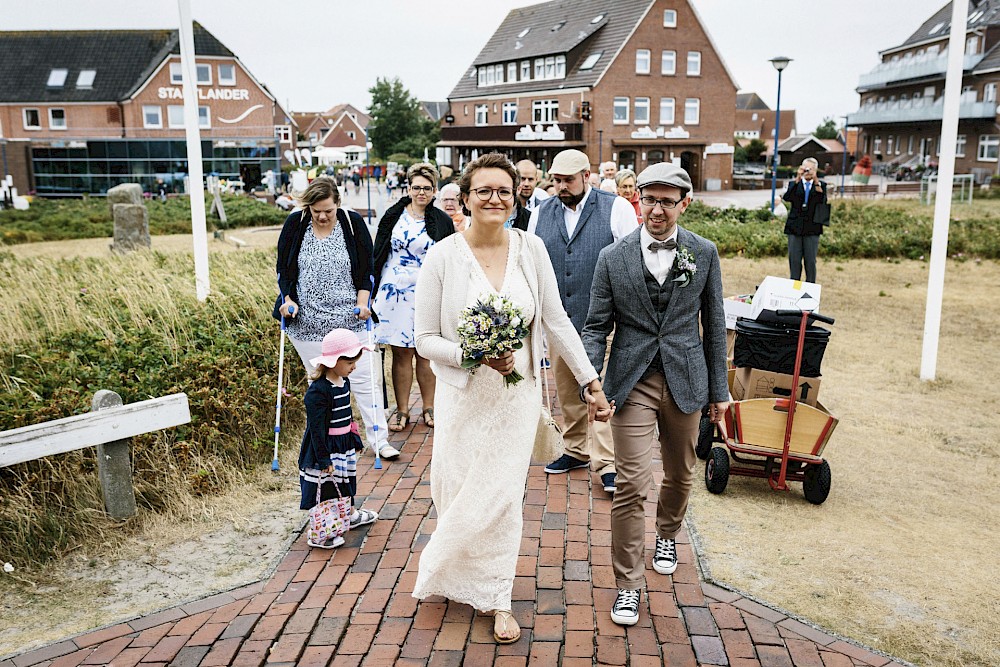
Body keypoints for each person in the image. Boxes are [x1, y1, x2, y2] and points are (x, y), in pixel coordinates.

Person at [411, 152, 613, 643]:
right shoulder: (442, 256)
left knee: (502, 499)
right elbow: (425, 338)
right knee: (456, 490)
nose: (495, 198)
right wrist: (475, 354)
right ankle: (455, 572)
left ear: (516, 195)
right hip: (463, 399)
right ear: (465, 196)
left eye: (504, 190)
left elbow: (556, 320)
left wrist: (590, 381)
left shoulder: (530, 249)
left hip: (516, 399)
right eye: (484, 190)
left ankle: (498, 597)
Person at [581, 162, 728, 626]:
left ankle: (668, 532)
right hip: (632, 378)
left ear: (685, 203)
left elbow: (714, 327)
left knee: (682, 473)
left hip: (687, 377)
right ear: (637, 200)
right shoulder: (613, 257)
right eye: (650, 199)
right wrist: (591, 379)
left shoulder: (704, 254)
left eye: (667, 200)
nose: (657, 209)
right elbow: (596, 326)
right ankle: (628, 585)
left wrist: (719, 391)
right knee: (630, 481)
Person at [527, 149, 636, 494]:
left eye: (567, 180)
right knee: (565, 387)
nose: (560, 186)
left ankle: (607, 464)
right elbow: (530, 264)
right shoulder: (539, 213)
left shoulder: (615, 207)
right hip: (558, 318)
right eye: (556, 180)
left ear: (586, 176)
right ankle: (576, 449)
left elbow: (632, 260)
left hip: (603, 319)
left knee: (598, 389)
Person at [275, 176, 397, 461]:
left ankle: (379, 441)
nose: (321, 216)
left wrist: (363, 302)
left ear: (337, 204)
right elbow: (283, 269)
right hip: (308, 324)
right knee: (320, 388)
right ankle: (325, 445)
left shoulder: (352, 223)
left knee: (366, 382)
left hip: (351, 320)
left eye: (327, 210)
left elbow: (368, 269)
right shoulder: (296, 223)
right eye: (315, 210)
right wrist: (288, 300)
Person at [372, 162, 454, 432]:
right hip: (395, 291)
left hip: (428, 289)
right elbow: (379, 251)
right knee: (401, 353)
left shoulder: (442, 220)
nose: (421, 193)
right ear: (408, 188)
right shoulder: (393, 216)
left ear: (434, 191)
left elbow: (449, 259)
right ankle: (403, 408)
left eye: (427, 188)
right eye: (416, 187)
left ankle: (429, 406)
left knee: (426, 351)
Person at [298, 329, 380, 548]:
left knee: (345, 481)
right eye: (350, 362)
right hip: (326, 448)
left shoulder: (344, 382)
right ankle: (321, 532)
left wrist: (354, 437)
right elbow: (316, 429)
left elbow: (347, 415)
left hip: (343, 444)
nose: (354, 366)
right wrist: (323, 459)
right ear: (333, 361)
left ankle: (348, 514)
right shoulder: (318, 391)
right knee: (324, 489)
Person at [782, 157, 826, 283]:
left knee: (810, 261)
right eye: (806, 169)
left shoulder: (820, 185)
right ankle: (794, 287)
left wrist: (816, 180)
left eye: (811, 169)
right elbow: (787, 197)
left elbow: (822, 200)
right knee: (794, 260)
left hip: (812, 229)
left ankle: (810, 287)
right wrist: (797, 178)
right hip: (795, 228)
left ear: (816, 170)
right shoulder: (794, 184)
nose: (808, 172)